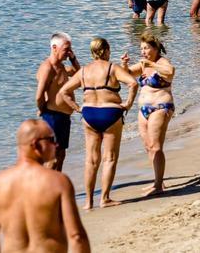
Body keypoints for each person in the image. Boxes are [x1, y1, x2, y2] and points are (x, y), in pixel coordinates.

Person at [0, 119, 90, 252]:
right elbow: (76, 236)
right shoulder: (58, 182)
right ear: (35, 145)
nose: (56, 144)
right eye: (51, 139)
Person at [56, 38, 138, 210]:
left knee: (91, 160)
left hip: (89, 114)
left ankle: (88, 202)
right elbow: (133, 82)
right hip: (111, 113)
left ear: (92, 52)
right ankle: (105, 199)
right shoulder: (112, 67)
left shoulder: (84, 71)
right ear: (106, 50)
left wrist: (77, 108)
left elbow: (64, 91)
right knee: (109, 158)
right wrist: (128, 104)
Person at [122, 34, 175, 196]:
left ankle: (158, 185)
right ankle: (158, 181)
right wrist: (124, 65)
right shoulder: (143, 64)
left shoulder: (161, 62)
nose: (143, 51)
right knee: (148, 147)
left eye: (146, 48)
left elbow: (170, 72)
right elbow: (128, 75)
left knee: (156, 146)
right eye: (141, 49)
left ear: (155, 48)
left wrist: (151, 64)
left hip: (160, 106)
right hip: (143, 110)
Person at [35, 32, 80, 171]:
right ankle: (45, 190)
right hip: (52, 117)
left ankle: (57, 188)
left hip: (63, 118)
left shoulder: (62, 66)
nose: (69, 53)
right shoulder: (47, 68)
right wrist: (43, 109)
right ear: (54, 48)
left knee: (61, 155)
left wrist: (73, 59)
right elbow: (39, 95)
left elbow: (80, 74)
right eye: (66, 49)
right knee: (52, 158)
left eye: (70, 49)